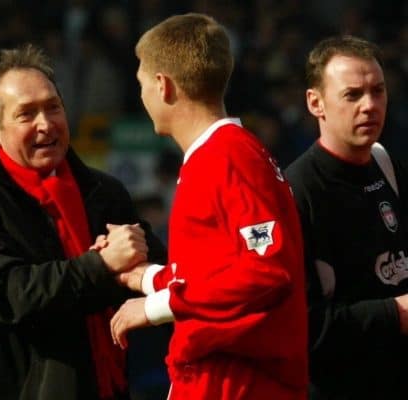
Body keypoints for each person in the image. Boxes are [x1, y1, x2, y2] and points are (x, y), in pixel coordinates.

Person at [0, 44, 167, 400]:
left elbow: (153, 264)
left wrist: (131, 263)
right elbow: (5, 296)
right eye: (26, 114)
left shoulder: (101, 190)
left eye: (53, 108)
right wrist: (100, 264)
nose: (46, 124)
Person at [109, 13, 308, 400]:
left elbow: (265, 272)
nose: (141, 97)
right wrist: (147, 278)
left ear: (162, 86)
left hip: (237, 381)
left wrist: (153, 307)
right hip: (217, 377)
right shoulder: (218, 155)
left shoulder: (229, 156)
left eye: (140, 85)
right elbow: (216, 271)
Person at [285, 35, 408, 399]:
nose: (370, 105)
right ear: (315, 103)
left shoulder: (388, 166)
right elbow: (300, 326)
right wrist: (395, 312)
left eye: (378, 91)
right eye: (352, 95)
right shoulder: (296, 193)